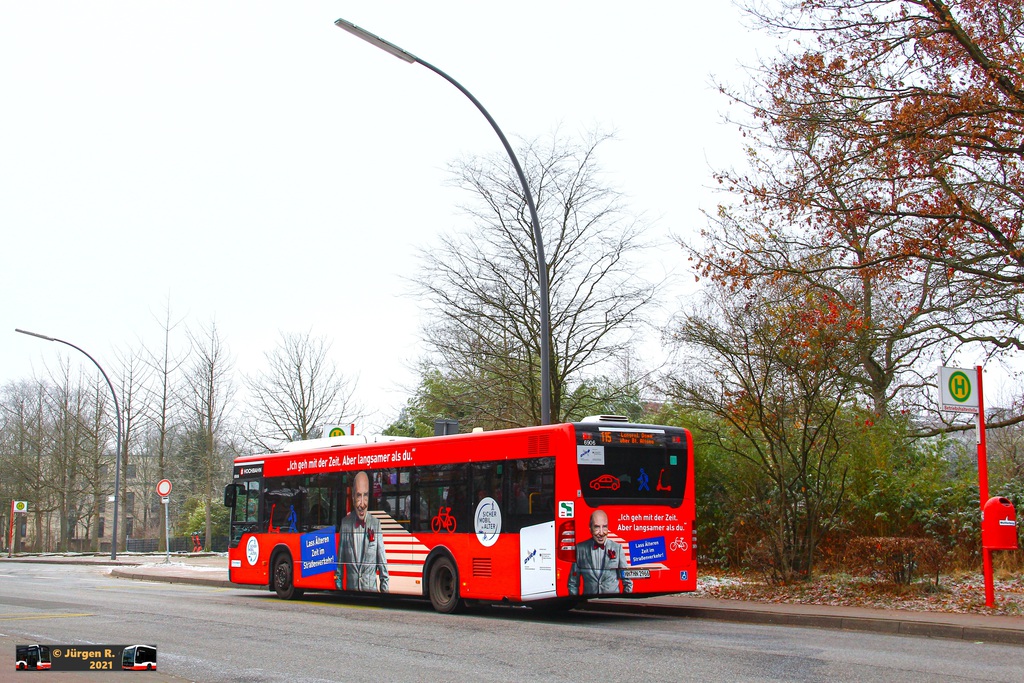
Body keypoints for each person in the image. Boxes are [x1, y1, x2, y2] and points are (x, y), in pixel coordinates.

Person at [335, 471, 389, 592]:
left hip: (372, 594)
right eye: (359, 496)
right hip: (350, 595)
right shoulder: (345, 524)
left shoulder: (376, 524)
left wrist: (384, 597)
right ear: (353, 497)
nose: (363, 504)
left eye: (366, 496)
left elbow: (383, 569)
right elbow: (339, 569)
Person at [567, 509, 632, 595]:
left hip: (612, 602)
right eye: (597, 527)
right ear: (590, 528)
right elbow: (573, 583)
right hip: (589, 603)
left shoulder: (618, 548)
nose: (601, 533)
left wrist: (622, 602)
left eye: (604, 526)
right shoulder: (580, 549)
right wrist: (576, 601)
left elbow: (627, 581)